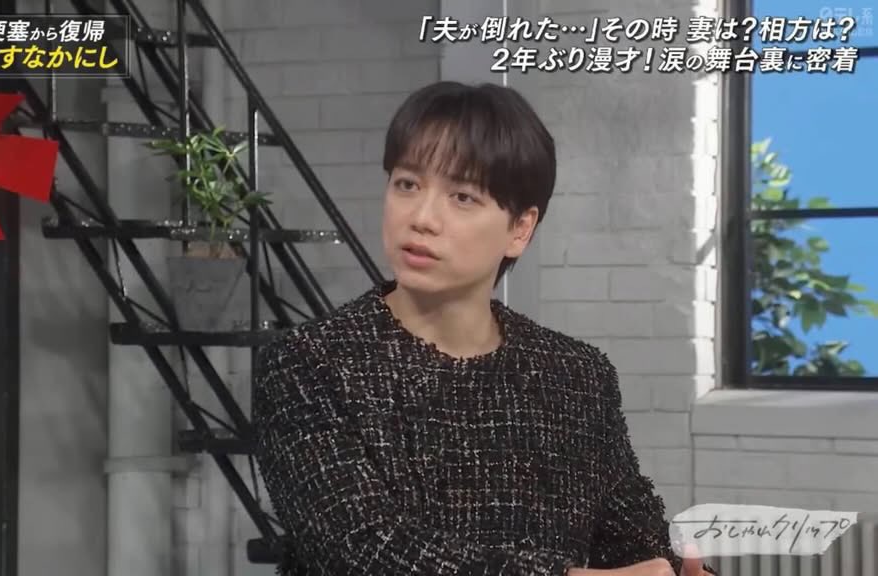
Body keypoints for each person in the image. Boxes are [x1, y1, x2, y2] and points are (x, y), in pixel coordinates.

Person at [251, 81, 717, 576]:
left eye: (462, 196)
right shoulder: (308, 365)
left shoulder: (575, 376)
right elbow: (363, 549)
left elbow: (636, 542)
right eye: (407, 184)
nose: (421, 218)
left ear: (520, 229)